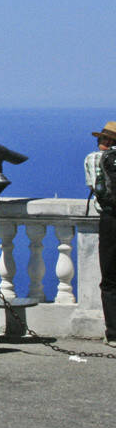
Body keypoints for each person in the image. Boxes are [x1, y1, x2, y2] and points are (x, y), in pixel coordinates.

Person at [85, 121, 116, 347]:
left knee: (110, 279)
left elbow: (93, 186)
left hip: (110, 219)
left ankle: (113, 333)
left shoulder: (93, 158)